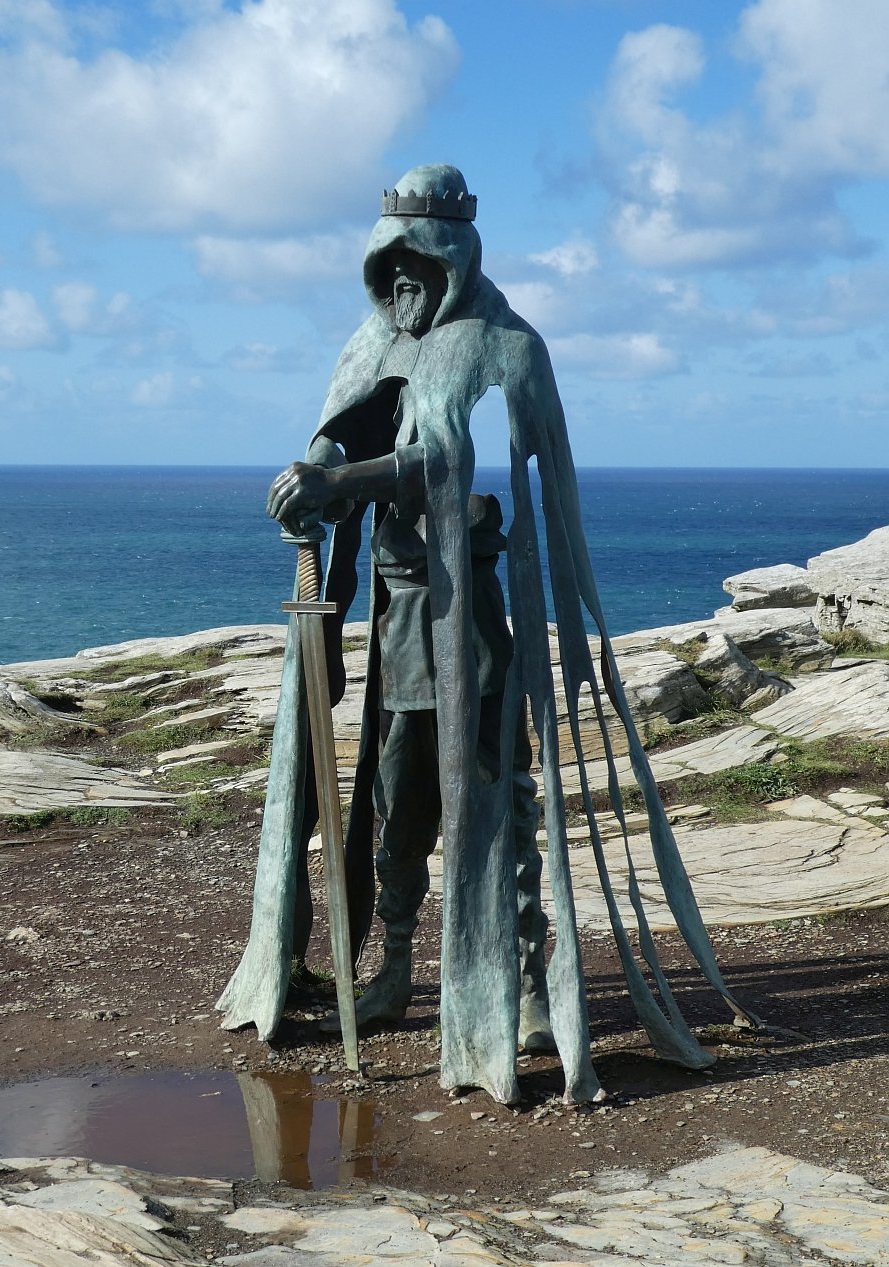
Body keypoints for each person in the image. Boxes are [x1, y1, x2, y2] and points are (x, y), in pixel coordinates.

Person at [217, 164, 756, 1106]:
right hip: (398, 621)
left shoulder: (506, 343)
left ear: (454, 257)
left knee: (496, 803)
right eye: (391, 271)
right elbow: (352, 423)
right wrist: (315, 467)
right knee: (396, 800)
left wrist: (346, 485)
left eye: (420, 268)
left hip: (474, 625)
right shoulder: (376, 336)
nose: (406, 290)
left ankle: (524, 988)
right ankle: (390, 967)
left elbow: (443, 456)